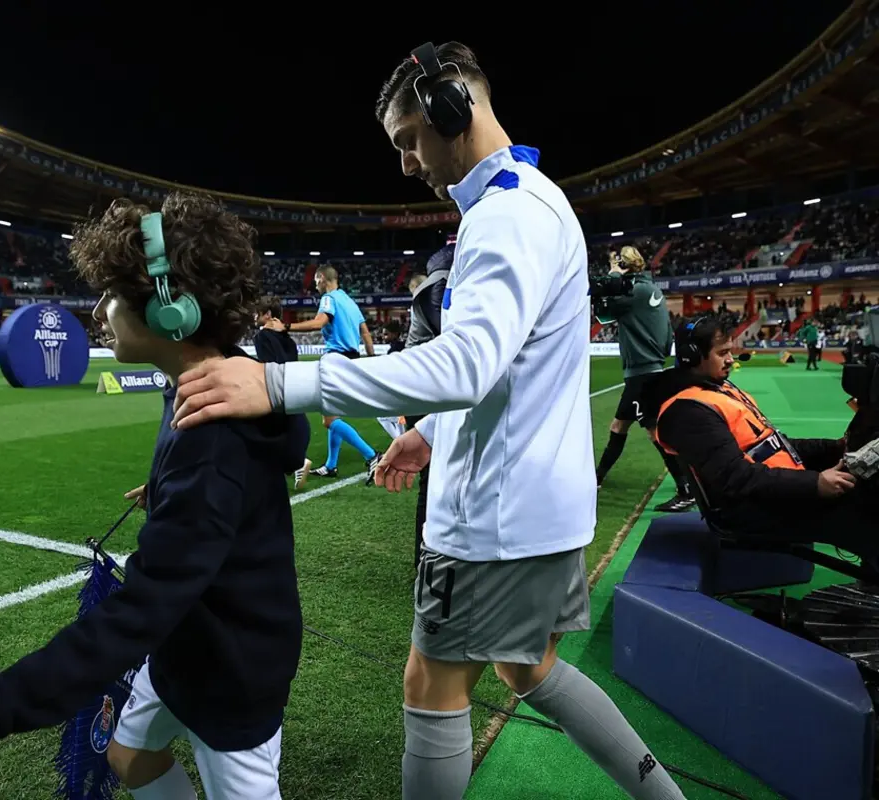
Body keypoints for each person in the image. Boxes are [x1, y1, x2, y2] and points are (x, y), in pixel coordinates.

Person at [169, 41, 683, 800]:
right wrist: (429, 432)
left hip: (495, 519)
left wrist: (277, 383)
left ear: (453, 109)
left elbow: (466, 365)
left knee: (431, 684)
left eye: (410, 139)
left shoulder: (506, 217)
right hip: (539, 508)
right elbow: (508, 368)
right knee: (525, 667)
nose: (407, 162)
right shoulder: (535, 201)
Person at [0, 193, 310, 800]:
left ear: (171, 314)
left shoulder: (214, 442)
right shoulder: (203, 385)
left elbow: (138, 611)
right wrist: (166, 489)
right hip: (187, 647)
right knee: (128, 753)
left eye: (111, 294)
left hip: (232, 670)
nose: (100, 310)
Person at [651, 316, 877, 563]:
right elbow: (735, 478)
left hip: (773, 489)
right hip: (749, 510)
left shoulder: (719, 390)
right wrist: (814, 484)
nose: (730, 360)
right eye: (723, 352)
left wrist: (833, 448)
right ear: (692, 357)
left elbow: (774, 445)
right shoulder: (688, 411)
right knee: (865, 506)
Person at [591, 246, 694, 513]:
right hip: (647, 369)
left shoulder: (635, 292)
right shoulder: (648, 289)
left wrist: (611, 277)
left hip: (642, 374)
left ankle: (687, 489)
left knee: (655, 432)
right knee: (618, 426)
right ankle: (597, 478)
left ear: (624, 267)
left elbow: (602, 309)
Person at [281, 266, 380, 482]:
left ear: (323, 278)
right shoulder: (350, 301)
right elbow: (365, 332)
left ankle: (372, 456)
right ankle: (331, 465)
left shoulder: (329, 298)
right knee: (333, 413)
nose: (315, 285)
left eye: (316, 280)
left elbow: (319, 323)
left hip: (335, 359)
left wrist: (285, 326)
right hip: (351, 358)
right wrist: (371, 360)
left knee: (328, 419)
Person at [404, 244, 453, 569]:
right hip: (431, 391)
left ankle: (428, 558)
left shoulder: (438, 280)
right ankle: (430, 559)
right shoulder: (440, 284)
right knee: (436, 477)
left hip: (424, 390)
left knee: (436, 478)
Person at [255, 298, 314, 488]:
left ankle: (296, 463)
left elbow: (268, 364)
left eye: (258, 312)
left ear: (268, 315)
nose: (254, 316)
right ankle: (296, 463)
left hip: (275, 388)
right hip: (293, 384)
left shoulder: (261, 337)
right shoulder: (287, 338)